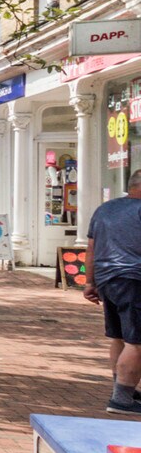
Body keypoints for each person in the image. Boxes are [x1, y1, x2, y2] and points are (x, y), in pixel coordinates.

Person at [85, 170, 141, 414]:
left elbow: (91, 247)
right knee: (136, 342)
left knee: (119, 337)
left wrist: (89, 282)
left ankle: (122, 388)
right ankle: (122, 399)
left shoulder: (105, 209)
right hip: (134, 279)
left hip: (108, 279)